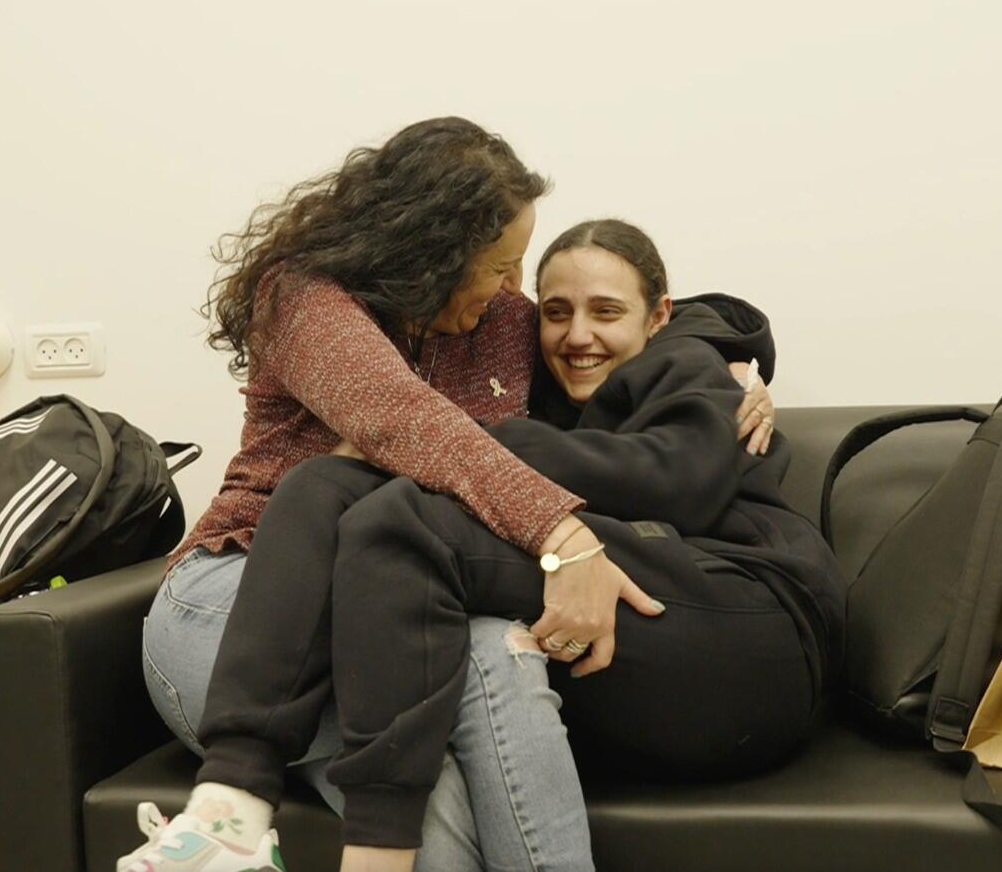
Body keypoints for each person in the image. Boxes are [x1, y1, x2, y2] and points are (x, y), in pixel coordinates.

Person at [125, 121, 774, 872]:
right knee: (433, 795)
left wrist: (722, 358)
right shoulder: (304, 297)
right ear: (429, 253)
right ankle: (226, 824)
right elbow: (402, 421)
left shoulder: (497, 320)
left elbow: (613, 319)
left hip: (396, 597)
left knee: (500, 651)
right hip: (244, 596)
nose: (513, 288)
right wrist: (561, 534)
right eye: (499, 266)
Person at [321, 219, 846, 859]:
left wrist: (466, 439)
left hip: (752, 612)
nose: (578, 335)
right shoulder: (539, 384)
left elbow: (678, 481)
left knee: (405, 519)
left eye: (606, 312)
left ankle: (310, 811)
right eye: (557, 313)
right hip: (665, 635)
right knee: (374, 513)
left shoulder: (687, 361)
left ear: (658, 317)